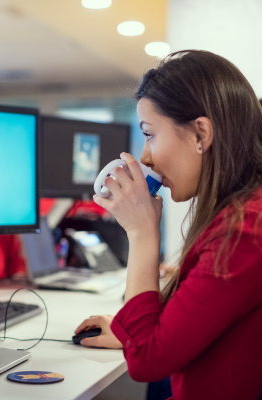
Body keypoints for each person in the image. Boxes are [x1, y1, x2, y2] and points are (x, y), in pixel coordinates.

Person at [75, 50, 262, 400]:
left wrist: (142, 233)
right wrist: (129, 330)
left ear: (200, 134)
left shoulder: (245, 230)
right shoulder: (243, 213)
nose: (145, 157)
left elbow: (146, 362)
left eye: (150, 134)